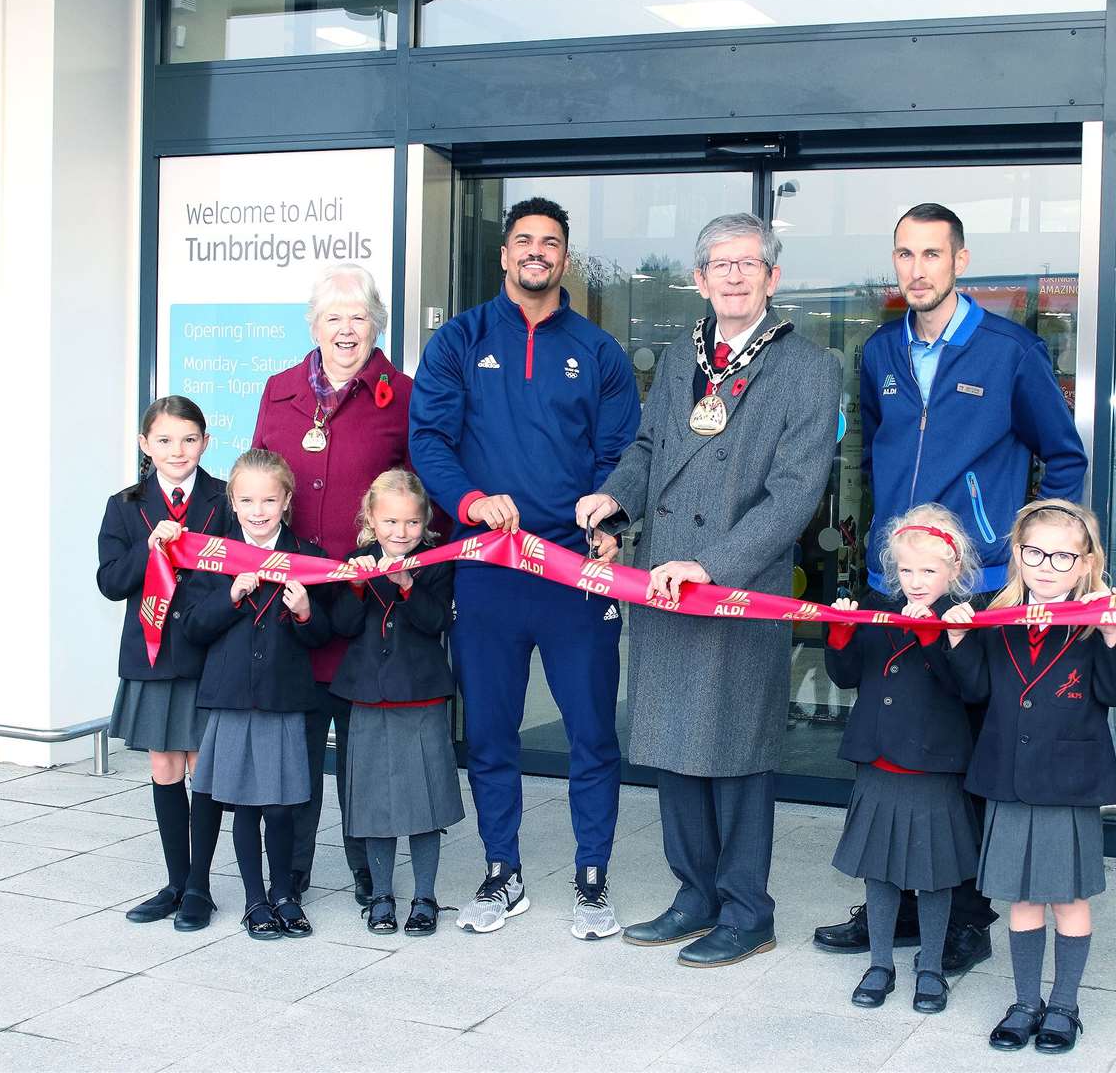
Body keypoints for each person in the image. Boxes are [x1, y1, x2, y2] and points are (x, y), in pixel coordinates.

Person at [815, 201, 1089, 973]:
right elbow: (875, 458)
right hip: (892, 586)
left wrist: (1027, 556)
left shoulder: (1010, 351)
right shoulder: (878, 353)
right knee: (893, 745)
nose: (917, 269)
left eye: (932, 254)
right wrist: (878, 551)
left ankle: (964, 917)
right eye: (904, 254)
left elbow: (1062, 459)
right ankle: (895, 905)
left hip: (979, 592)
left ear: (961, 261)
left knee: (963, 756)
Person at [576, 212, 841, 968]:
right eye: (718, 265)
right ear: (698, 279)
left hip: (736, 588)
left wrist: (713, 566)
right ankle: (694, 895)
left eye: (747, 264)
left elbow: (795, 496)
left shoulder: (810, 368)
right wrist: (616, 500)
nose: (732, 275)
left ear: (772, 278)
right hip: (662, 583)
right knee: (671, 744)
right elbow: (651, 447)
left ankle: (747, 909)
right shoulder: (681, 356)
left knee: (736, 751)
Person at [409, 197, 640, 939]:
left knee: (592, 736)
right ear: (504, 255)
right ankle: (500, 873)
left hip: (574, 574)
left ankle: (593, 879)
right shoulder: (457, 341)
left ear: (563, 259)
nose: (536, 251)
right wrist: (470, 501)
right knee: (492, 736)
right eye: (523, 241)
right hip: (489, 573)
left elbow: (623, 454)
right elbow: (430, 439)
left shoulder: (598, 351)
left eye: (550, 242)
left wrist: (612, 520)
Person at [252, 263, 418, 907]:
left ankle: (366, 876)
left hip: (360, 609)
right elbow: (259, 481)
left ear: (376, 323)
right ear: (313, 325)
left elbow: (416, 498)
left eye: (358, 317)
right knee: (294, 749)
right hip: (291, 606)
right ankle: (291, 876)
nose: (346, 331)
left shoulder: (402, 394)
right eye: (333, 318)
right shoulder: (279, 390)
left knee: (358, 754)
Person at [954, 500, 1116, 1055]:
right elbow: (975, 691)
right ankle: (1026, 1001)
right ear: (1017, 556)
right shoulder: (992, 614)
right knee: (1022, 898)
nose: (1047, 566)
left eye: (1062, 556)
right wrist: (959, 643)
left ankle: (1064, 1004)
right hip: (1009, 777)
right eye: (1035, 553)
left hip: (1069, 779)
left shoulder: (1097, 621)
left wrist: (1109, 636)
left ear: (1085, 563)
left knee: (1067, 899)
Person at [822, 504, 985, 1015]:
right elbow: (847, 676)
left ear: (954, 570)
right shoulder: (878, 606)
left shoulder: (966, 615)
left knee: (935, 876)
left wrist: (937, 635)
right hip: (878, 762)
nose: (915, 581)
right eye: (907, 570)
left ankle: (931, 968)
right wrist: (842, 634)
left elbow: (972, 688)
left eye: (929, 571)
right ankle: (880, 963)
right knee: (881, 873)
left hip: (933, 766)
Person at [183, 450, 334, 940]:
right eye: (247, 499)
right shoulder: (213, 553)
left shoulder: (307, 556)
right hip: (231, 698)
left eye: (269, 499)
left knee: (282, 804)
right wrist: (228, 597)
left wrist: (307, 611)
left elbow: (324, 635)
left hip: (283, 698)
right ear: (232, 500)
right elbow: (193, 627)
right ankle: (254, 899)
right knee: (244, 804)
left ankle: (285, 893)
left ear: (287, 500)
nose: (258, 510)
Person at [96, 396, 232, 929]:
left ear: (206, 442)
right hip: (150, 654)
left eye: (190, 439)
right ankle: (175, 881)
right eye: (166, 440)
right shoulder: (125, 504)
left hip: (206, 652)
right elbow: (109, 582)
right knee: (164, 766)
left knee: (206, 768)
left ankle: (199, 887)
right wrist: (149, 550)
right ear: (144, 445)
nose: (178, 451)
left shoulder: (225, 499)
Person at [329, 470, 464, 936]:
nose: (399, 533)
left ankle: (425, 897)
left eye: (409, 523)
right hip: (367, 695)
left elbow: (433, 623)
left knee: (424, 803)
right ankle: (381, 897)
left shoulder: (439, 560)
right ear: (370, 518)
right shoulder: (355, 560)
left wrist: (407, 583)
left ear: (424, 521)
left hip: (420, 694)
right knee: (373, 805)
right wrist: (354, 586)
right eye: (389, 522)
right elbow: (342, 625)